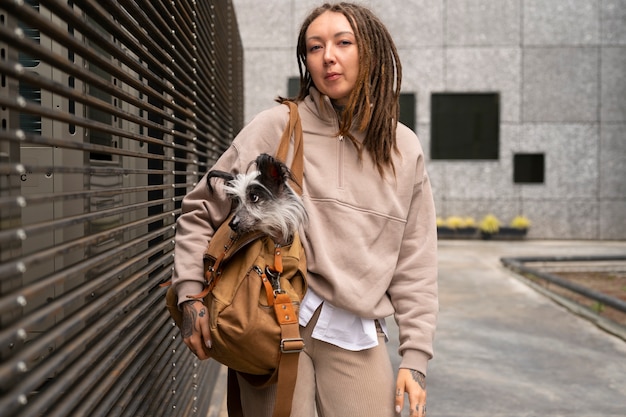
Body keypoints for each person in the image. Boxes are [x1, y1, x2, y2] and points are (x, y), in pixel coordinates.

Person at [171, 2, 438, 416]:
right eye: (315, 47)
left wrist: (415, 358)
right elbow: (200, 208)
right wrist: (189, 294)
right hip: (268, 319)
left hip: (355, 330)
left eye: (342, 42)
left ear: (370, 50)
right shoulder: (276, 126)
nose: (328, 56)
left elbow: (416, 261)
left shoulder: (404, 149)